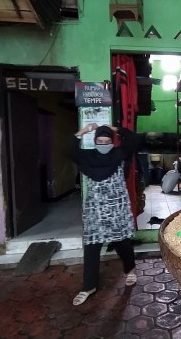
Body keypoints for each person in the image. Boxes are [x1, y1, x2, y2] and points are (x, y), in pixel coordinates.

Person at [67, 123, 142, 306]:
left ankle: (130, 269)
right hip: (95, 210)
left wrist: (116, 129)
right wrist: (83, 131)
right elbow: (68, 149)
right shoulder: (87, 157)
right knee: (92, 246)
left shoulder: (119, 154)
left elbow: (134, 140)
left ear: (112, 141)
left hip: (117, 209)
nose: (103, 144)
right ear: (94, 142)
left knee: (122, 243)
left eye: (107, 141)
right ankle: (88, 286)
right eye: (99, 141)